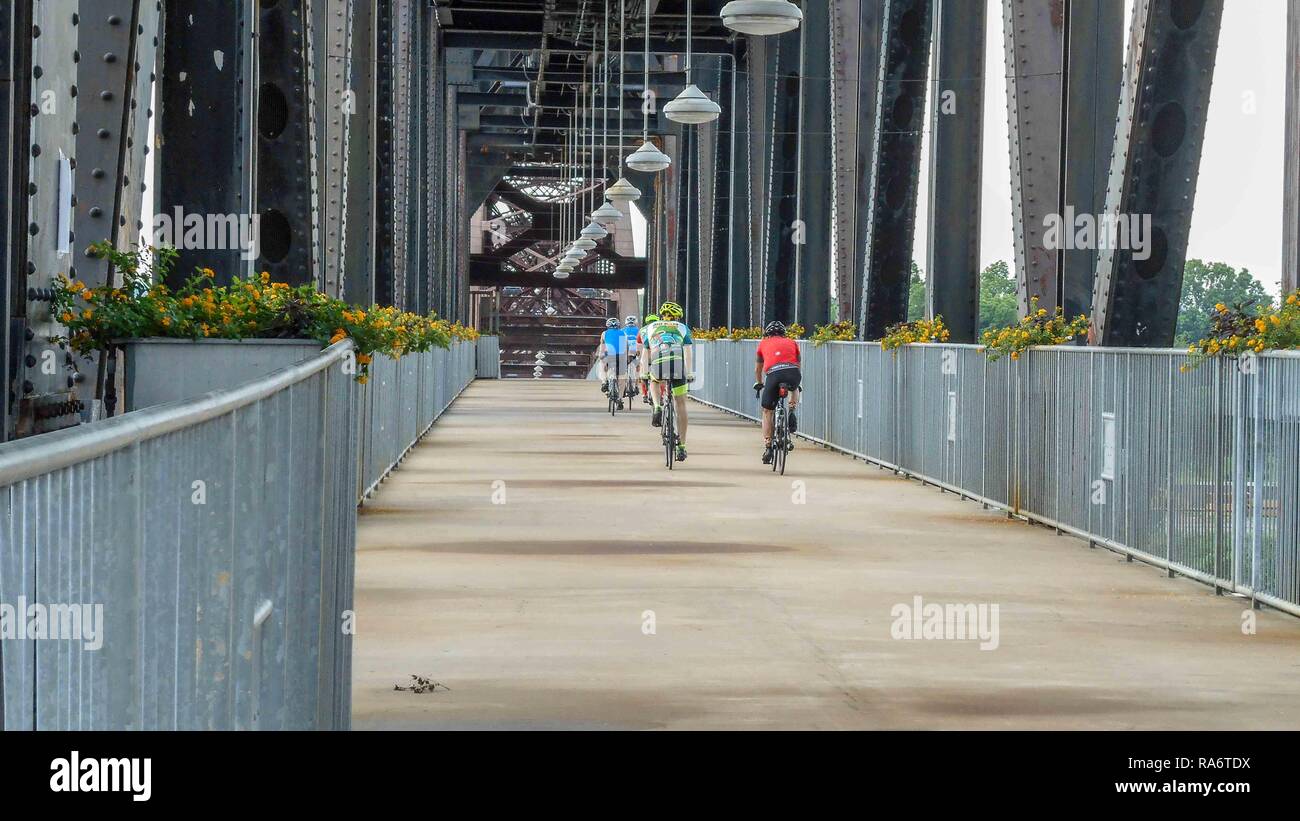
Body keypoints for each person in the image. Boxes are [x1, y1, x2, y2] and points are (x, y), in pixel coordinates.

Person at [640, 301, 694, 461]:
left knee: (654, 381)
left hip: (658, 360)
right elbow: (688, 352)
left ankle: (657, 406)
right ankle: (682, 447)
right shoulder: (682, 327)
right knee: (681, 404)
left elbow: (645, 355)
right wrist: (689, 372)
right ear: (677, 316)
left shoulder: (650, 328)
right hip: (677, 362)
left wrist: (644, 373)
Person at [754, 320, 801, 465]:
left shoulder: (763, 343)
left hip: (774, 375)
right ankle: (792, 410)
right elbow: (798, 365)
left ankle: (768, 447)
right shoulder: (793, 342)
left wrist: (759, 383)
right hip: (792, 372)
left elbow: (758, 369)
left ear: (767, 334)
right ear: (784, 333)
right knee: (796, 387)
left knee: (767, 411)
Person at [597, 317, 628, 408]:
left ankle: (604, 381)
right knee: (622, 378)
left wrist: (600, 356)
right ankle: (620, 399)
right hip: (621, 356)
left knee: (602, 365)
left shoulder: (604, 333)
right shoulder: (623, 333)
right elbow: (625, 347)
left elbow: (602, 347)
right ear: (618, 325)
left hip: (609, 355)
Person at [636, 313, 659, 404]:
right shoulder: (660, 329)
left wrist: (638, 354)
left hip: (646, 358)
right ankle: (660, 396)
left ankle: (644, 395)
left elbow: (638, 344)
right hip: (657, 357)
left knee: (643, 374)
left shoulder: (642, 330)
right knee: (660, 378)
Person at [621, 316, 641, 400]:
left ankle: (622, 387)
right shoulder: (639, 331)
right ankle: (636, 386)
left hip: (624, 353)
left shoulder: (622, 330)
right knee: (638, 367)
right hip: (634, 352)